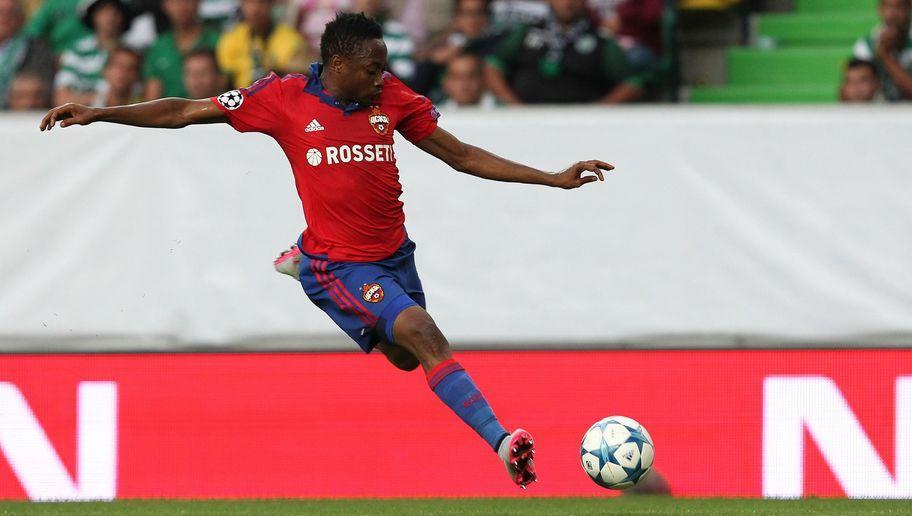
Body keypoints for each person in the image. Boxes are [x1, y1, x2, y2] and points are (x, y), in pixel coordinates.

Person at [40, 12, 613, 488]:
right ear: (337, 63)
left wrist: (552, 178)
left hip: (395, 255)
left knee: (407, 356)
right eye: (371, 68)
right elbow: (185, 110)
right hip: (340, 261)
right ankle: (503, 440)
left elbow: (461, 154)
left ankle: (307, 269)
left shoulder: (393, 98)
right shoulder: (281, 98)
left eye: (383, 67)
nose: (380, 77)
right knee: (420, 330)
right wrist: (100, 112)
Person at [485, 0, 642, 104]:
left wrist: (598, 112)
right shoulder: (526, 32)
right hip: (525, 120)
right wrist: (514, 107)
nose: (568, 2)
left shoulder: (600, 41)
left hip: (581, 127)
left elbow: (632, 83)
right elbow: (493, 66)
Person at [53, 0, 133, 105]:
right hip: (83, 120)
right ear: (92, 15)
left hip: (121, 120)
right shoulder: (76, 51)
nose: (110, 16)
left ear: (124, 16)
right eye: (103, 10)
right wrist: (102, 100)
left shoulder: (134, 54)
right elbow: (61, 99)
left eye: (116, 11)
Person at [217, 0, 310, 89]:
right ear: (242, 4)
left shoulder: (290, 38)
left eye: (262, 2)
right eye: (248, 2)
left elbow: (297, 75)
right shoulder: (231, 38)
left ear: (272, 4)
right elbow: (224, 78)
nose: (255, 9)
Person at [143, 0, 221, 99]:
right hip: (169, 113)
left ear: (198, 3)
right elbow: (151, 99)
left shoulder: (218, 41)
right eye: (175, 2)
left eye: (187, 1)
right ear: (165, 5)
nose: (181, 7)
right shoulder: (158, 47)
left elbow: (226, 86)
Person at [853, 0, 912, 101]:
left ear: (909, 9)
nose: (892, 14)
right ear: (880, 9)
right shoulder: (865, 46)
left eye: (899, 8)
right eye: (888, 7)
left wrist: (885, 55)